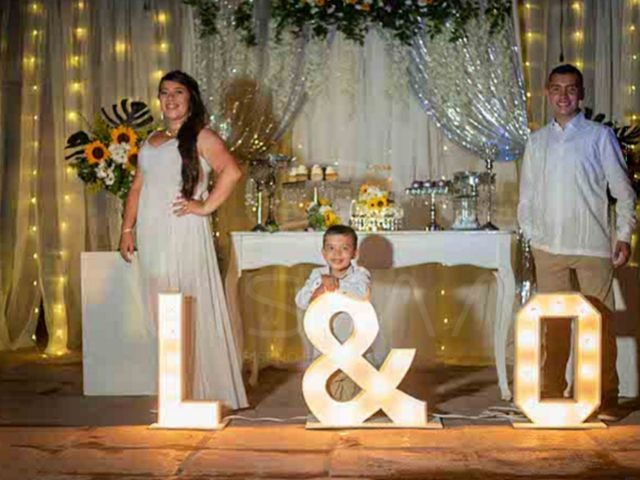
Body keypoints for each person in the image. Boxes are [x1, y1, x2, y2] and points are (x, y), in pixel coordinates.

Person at [119, 70, 248, 409]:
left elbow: (231, 171)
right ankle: (174, 389)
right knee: (158, 307)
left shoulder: (202, 136)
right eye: (164, 92)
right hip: (152, 233)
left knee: (188, 304)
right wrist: (127, 229)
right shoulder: (150, 141)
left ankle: (202, 389)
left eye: (178, 92)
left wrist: (204, 207)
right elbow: (136, 189)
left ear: (191, 97)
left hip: (184, 230)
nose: (170, 98)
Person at [517, 64, 637, 419]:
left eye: (571, 89)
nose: (564, 96)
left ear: (581, 94)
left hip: (592, 246)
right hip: (548, 248)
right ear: (547, 93)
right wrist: (534, 236)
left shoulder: (599, 136)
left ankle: (605, 395)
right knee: (553, 324)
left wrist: (623, 235)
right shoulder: (537, 142)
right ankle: (552, 390)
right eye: (557, 89)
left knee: (598, 324)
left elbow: (623, 191)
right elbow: (527, 198)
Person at [295, 225, 371, 401]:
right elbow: (301, 300)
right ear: (323, 253)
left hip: (352, 342)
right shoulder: (317, 274)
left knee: (350, 389)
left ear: (355, 253)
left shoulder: (360, 274)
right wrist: (321, 285)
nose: (337, 254)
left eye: (344, 248)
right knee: (326, 388)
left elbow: (361, 293)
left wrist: (334, 283)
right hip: (323, 344)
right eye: (331, 248)